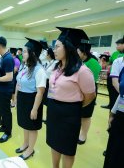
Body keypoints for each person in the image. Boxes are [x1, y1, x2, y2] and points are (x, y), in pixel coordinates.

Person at [46, 27, 96, 168]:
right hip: (54, 111)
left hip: (69, 114)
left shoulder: (83, 71)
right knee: (54, 143)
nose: (53, 50)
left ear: (68, 48)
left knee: (67, 149)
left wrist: (73, 106)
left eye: (57, 47)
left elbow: (90, 96)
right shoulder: (57, 67)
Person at [15, 38, 47, 160]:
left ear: (32, 54)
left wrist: (34, 109)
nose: (22, 53)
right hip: (23, 99)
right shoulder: (25, 66)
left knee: (32, 126)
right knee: (25, 124)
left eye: (24, 52)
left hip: (32, 101)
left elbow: (40, 92)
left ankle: (30, 149)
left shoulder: (39, 70)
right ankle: (25, 143)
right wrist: (16, 98)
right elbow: (18, 83)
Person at [77, 43, 102, 145]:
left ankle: (83, 135)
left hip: (88, 91)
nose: (75, 53)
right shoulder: (78, 61)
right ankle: (77, 132)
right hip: (77, 90)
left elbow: (91, 79)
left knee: (86, 115)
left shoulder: (93, 62)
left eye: (77, 51)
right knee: (78, 113)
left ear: (84, 52)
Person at [101, 38, 124, 109]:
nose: (116, 47)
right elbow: (109, 63)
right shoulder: (114, 53)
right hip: (111, 76)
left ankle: (119, 108)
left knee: (119, 94)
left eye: (118, 45)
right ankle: (111, 105)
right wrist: (105, 63)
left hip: (120, 78)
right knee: (111, 93)